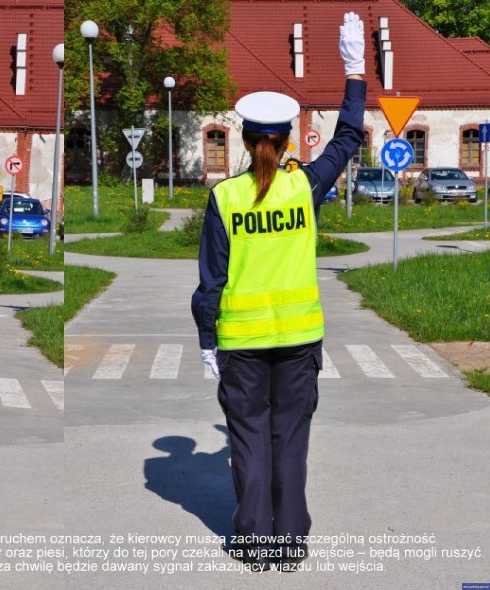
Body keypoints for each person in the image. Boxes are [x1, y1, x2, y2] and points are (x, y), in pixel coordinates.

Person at [191, 13, 367, 572]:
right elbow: (347, 137)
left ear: (244, 139)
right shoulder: (306, 184)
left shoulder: (224, 199)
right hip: (297, 340)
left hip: (240, 344)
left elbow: (211, 282)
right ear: (288, 138)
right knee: (288, 440)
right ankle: (289, 546)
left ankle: (254, 543)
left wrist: (205, 340)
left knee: (248, 441)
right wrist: (355, 70)